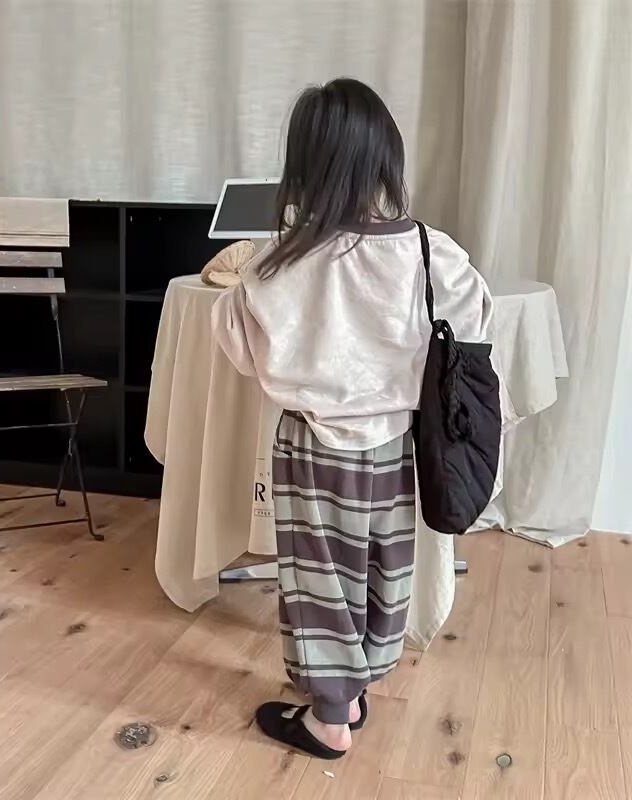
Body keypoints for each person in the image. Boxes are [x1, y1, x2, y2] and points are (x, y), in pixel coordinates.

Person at [211, 78, 492, 760]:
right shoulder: (430, 250)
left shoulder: (281, 262)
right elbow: (477, 323)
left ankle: (330, 717)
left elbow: (238, 345)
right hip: (398, 441)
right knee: (382, 567)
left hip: (312, 442)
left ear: (305, 165)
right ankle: (356, 687)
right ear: (387, 158)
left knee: (318, 577)